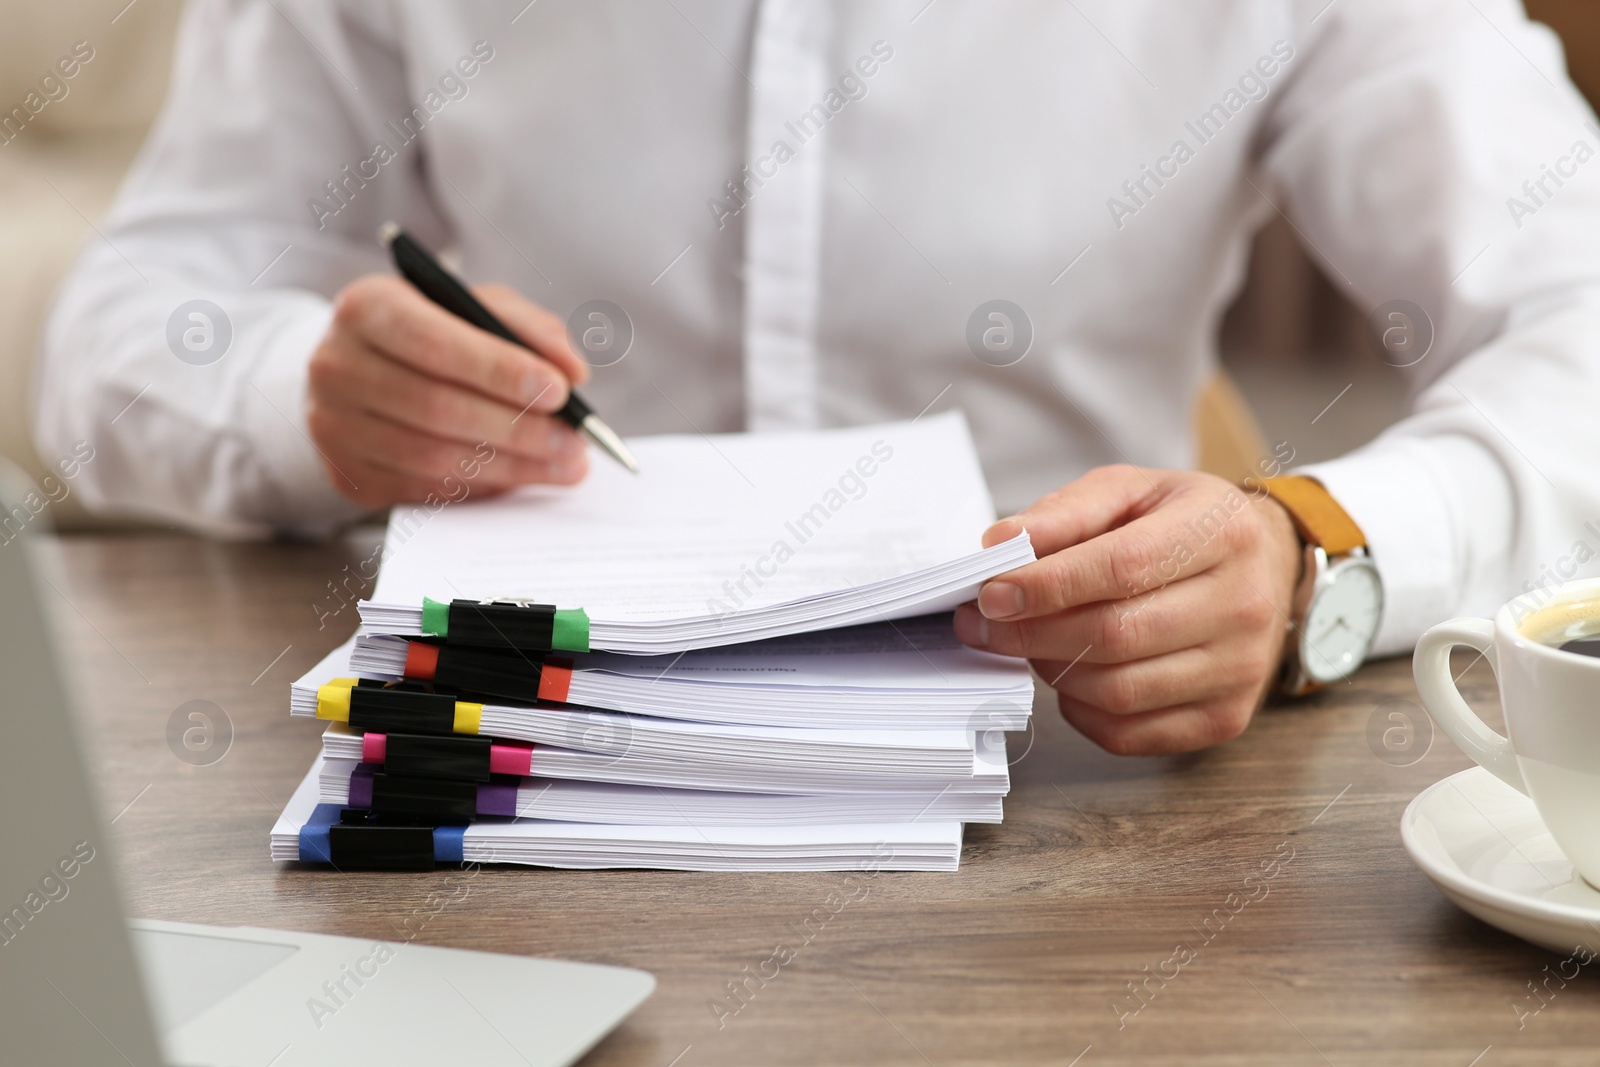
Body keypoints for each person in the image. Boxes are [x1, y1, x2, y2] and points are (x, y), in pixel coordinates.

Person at [33, 1, 1600, 755]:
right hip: (499, 763)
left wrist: (1313, 548)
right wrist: (298, 388)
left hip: (1084, 781)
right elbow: (132, 319)